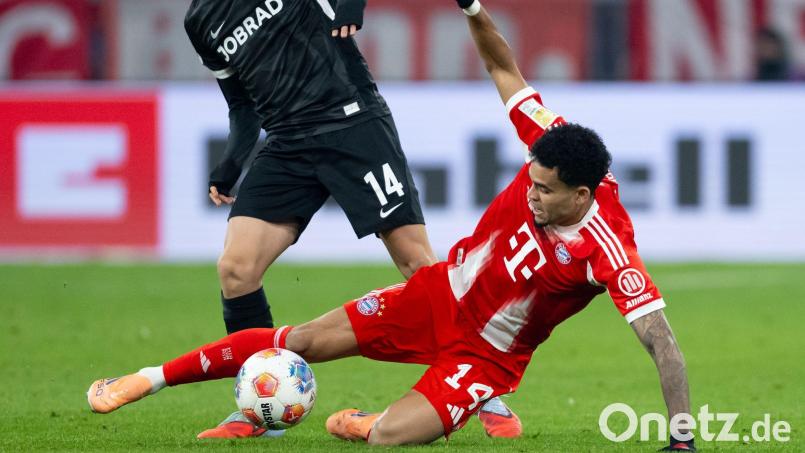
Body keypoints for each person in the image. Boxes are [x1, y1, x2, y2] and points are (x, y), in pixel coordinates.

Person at [88, 1, 693, 449]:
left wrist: (683, 439)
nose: (530, 194)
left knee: (385, 438)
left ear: (581, 194)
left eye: (544, 190)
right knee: (289, 329)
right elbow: (505, 72)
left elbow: (661, 342)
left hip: (482, 357)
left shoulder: (607, 250)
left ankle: (381, 419)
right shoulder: (548, 138)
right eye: (529, 180)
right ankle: (150, 378)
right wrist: (473, 7)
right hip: (434, 296)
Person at [178, 0, 517, 438]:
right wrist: (232, 163)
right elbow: (241, 105)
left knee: (418, 265)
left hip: (352, 123)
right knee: (236, 269)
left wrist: (350, 6)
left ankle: (480, 385)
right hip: (287, 142)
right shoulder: (200, 21)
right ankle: (257, 409)